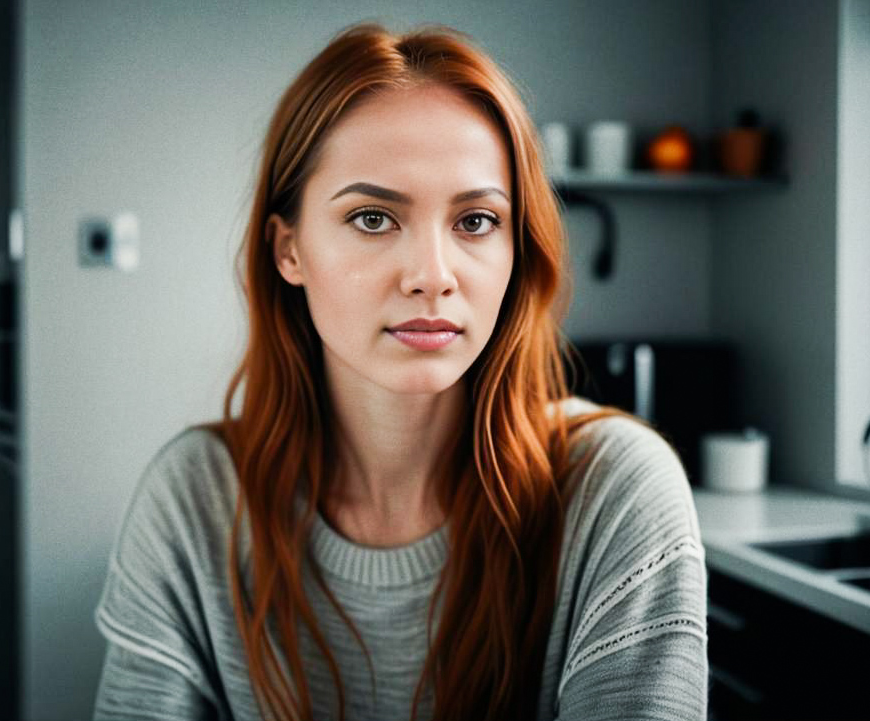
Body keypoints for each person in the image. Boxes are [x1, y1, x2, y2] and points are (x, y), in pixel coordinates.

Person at [92, 21, 708, 721]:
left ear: (515, 250)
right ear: (288, 249)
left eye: (475, 221)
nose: (431, 276)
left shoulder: (615, 491)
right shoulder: (194, 499)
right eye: (373, 217)